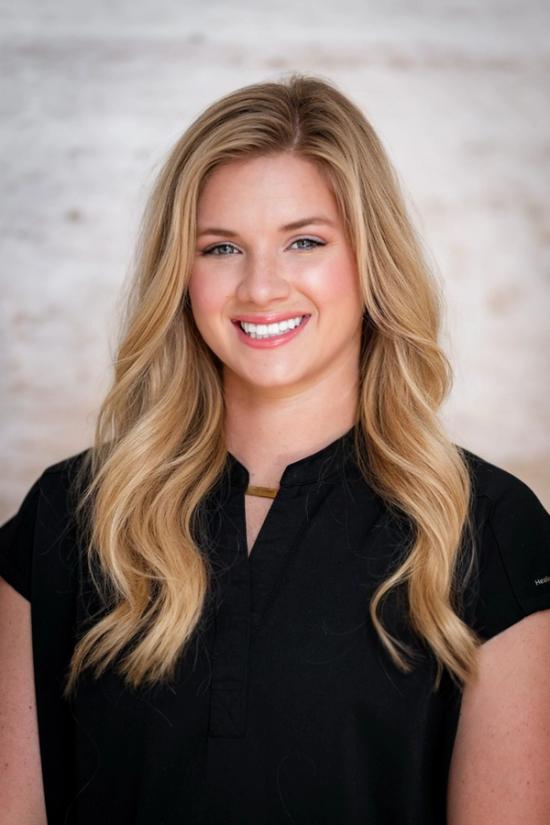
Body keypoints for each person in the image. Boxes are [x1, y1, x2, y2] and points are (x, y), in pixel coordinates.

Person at [1, 73, 549, 825]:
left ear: (370, 260)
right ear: (181, 277)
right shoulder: (65, 518)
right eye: (222, 246)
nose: (261, 286)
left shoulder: (491, 530)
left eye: (304, 241)